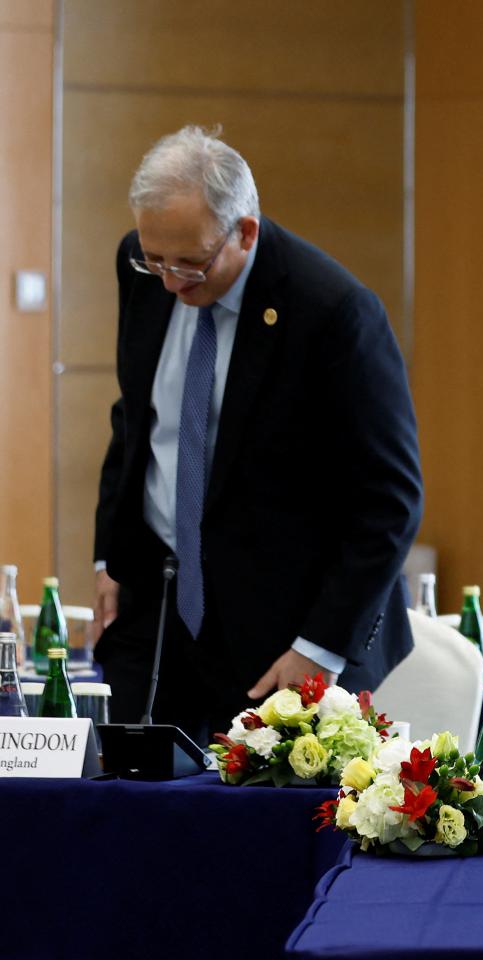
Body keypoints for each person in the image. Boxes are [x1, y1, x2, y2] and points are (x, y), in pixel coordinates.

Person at [91, 126, 422, 739]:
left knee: (259, 828)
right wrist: (111, 553)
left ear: (245, 232)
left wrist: (320, 650)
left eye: (190, 263)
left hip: (285, 638)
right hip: (157, 616)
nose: (169, 282)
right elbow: (138, 418)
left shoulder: (334, 313)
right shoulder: (142, 268)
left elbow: (390, 501)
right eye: (153, 257)